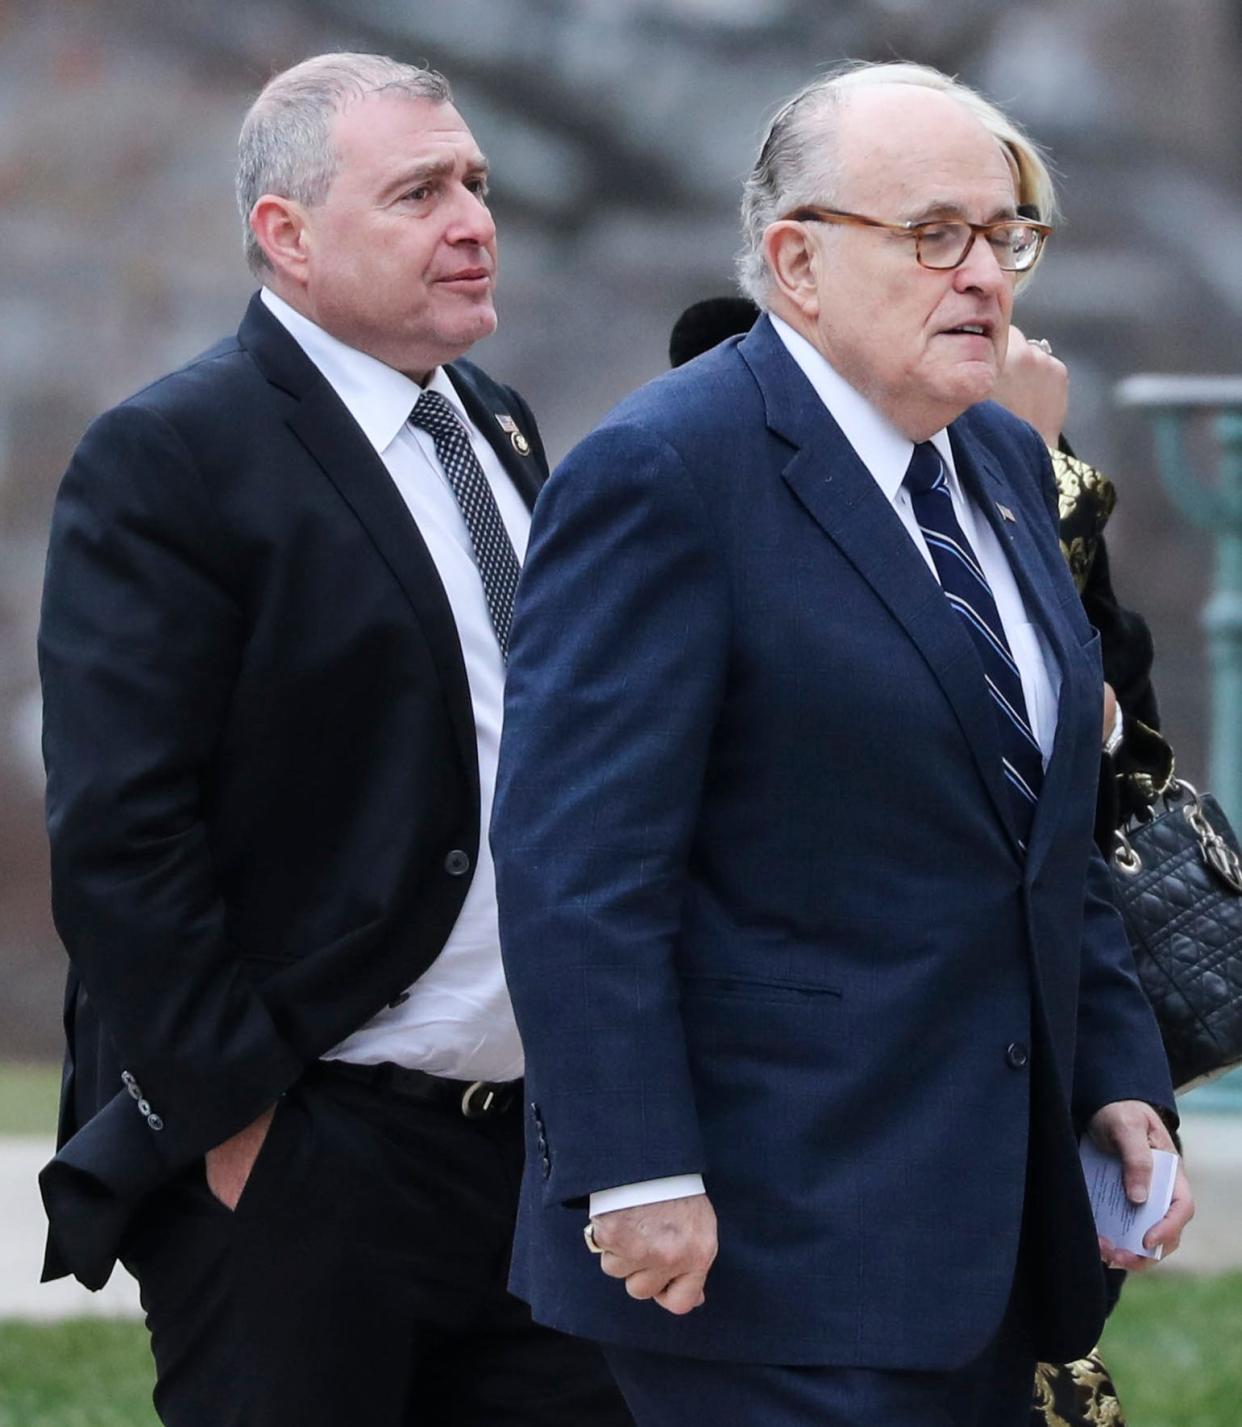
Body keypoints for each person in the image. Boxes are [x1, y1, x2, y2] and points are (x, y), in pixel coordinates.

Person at [490, 60, 1193, 1427]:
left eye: (1005, 236)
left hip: (990, 1235)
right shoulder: (666, 475)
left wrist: (1114, 1076)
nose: (983, 275)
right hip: (757, 1245)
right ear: (794, 261)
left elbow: (1040, 821)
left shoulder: (995, 460)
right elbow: (579, 866)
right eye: (932, 235)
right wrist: (631, 1169)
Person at [37, 51, 632, 1427]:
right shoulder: (170, 456)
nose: (474, 220)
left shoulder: (495, 423)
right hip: (311, 1155)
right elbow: (121, 831)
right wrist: (241, 1125)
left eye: (477, 184)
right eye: (419, 191)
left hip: (537, 1159)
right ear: (286, 237)